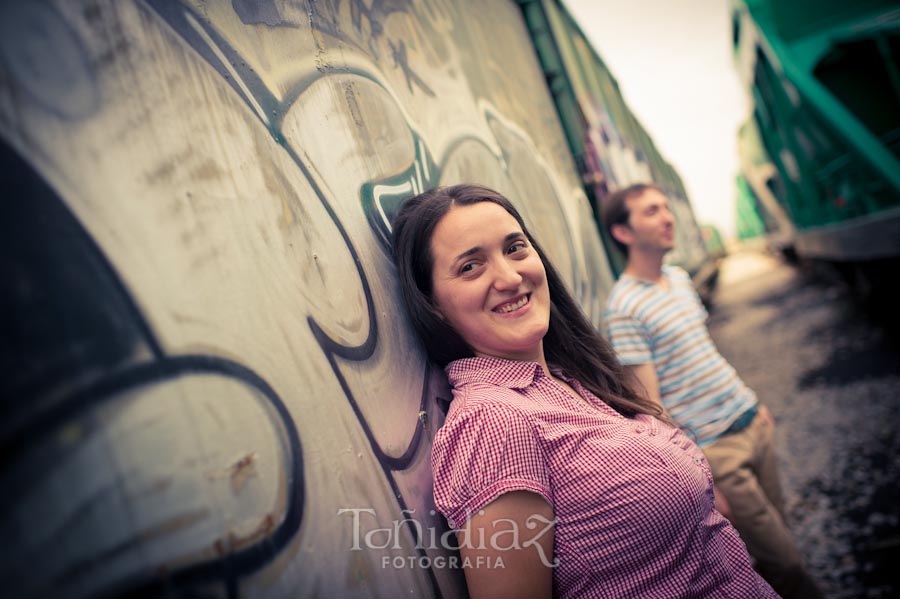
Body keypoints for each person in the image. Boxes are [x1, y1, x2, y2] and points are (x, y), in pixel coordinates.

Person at [391, 183, 778, 599]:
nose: (509, 276)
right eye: (470, 267)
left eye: (515, 248)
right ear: (431, 304)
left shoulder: (569, 380)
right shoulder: (492, 422)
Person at [601, 183, 821, 599]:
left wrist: (751, 402)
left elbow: (704, 353)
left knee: (783, 533)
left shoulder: (679, 279)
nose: (667, 218)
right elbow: (650, 409)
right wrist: (702, 481)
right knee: (784, 561)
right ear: (623, 233)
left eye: (666, 207)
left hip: (751, 421)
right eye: (651, 212)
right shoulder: (624, 308)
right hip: (720, 452)